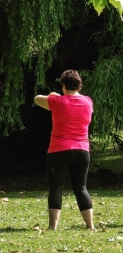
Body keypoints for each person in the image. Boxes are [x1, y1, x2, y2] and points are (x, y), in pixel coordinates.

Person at [34, 70, 94, 230]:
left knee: (55, 188)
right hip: (82, 151)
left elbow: (37, 99)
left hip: (59, 151)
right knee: (81, 188)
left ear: (64, 85)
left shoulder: (59, 102)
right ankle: (90, 225)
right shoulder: (88, 101)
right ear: (79, 85)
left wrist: (53, 95)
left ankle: (53, 226)